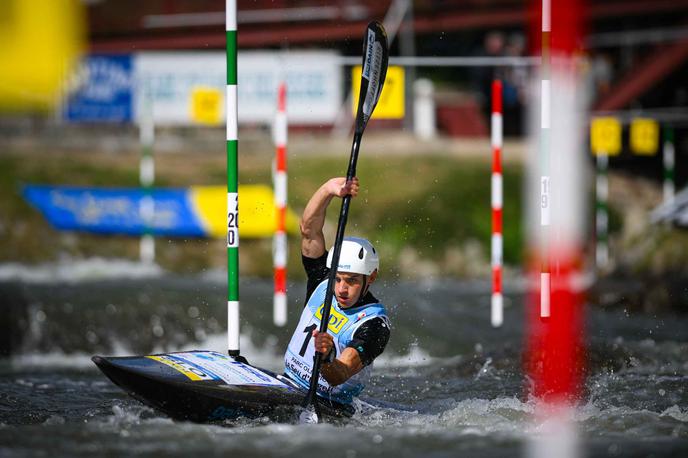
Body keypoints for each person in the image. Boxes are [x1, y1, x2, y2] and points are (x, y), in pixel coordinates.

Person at [283, 177, 391, 407]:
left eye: (351, 281)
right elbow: (308, 230)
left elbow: (338, 375)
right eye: (338, 278)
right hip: (286, 384)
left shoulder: (374, 325)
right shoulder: (323, 279)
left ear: (370, 277)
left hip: (328, 403)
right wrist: (328, 190)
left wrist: (327, 357)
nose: (341, 288)